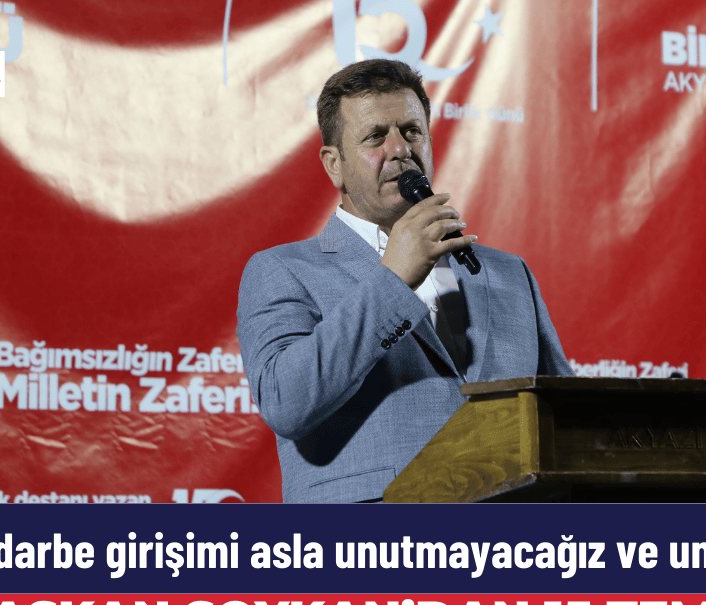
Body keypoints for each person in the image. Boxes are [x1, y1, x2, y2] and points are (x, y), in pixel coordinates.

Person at [237, 59, 573, 503]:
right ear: (334, 165)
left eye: (412, 132)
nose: (399, 149)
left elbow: (564, 416)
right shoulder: (282, 270)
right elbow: (287, 402)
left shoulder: (510, 273)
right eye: (376, 136)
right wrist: (394, 278)